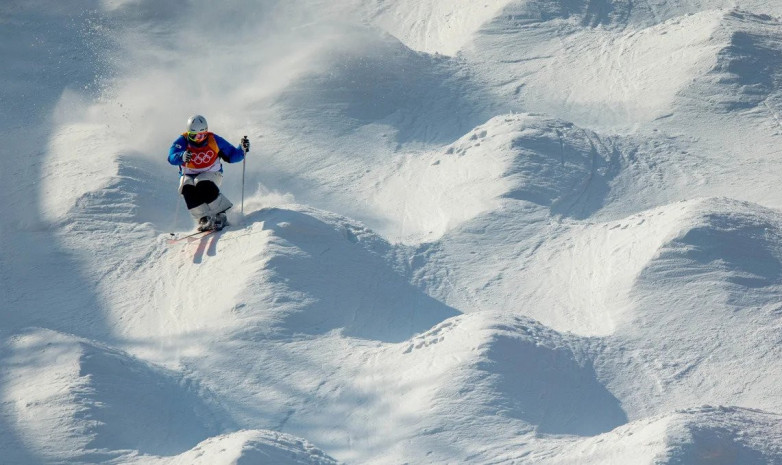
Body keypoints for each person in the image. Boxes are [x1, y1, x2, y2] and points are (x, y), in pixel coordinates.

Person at [168, 115, 249, 231]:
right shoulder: (182, 141)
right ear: (188, 133)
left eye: (201, 135)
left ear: (206, 132)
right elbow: (171, 157)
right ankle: (203, 218)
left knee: (201, 183)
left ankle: (221, 213)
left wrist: (242, 149)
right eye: (193, 136)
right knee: (187, 187)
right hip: (189, 173)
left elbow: (232, 155)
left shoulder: (214, 140)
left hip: (212, 172)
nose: (198, 139)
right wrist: (181, 155)